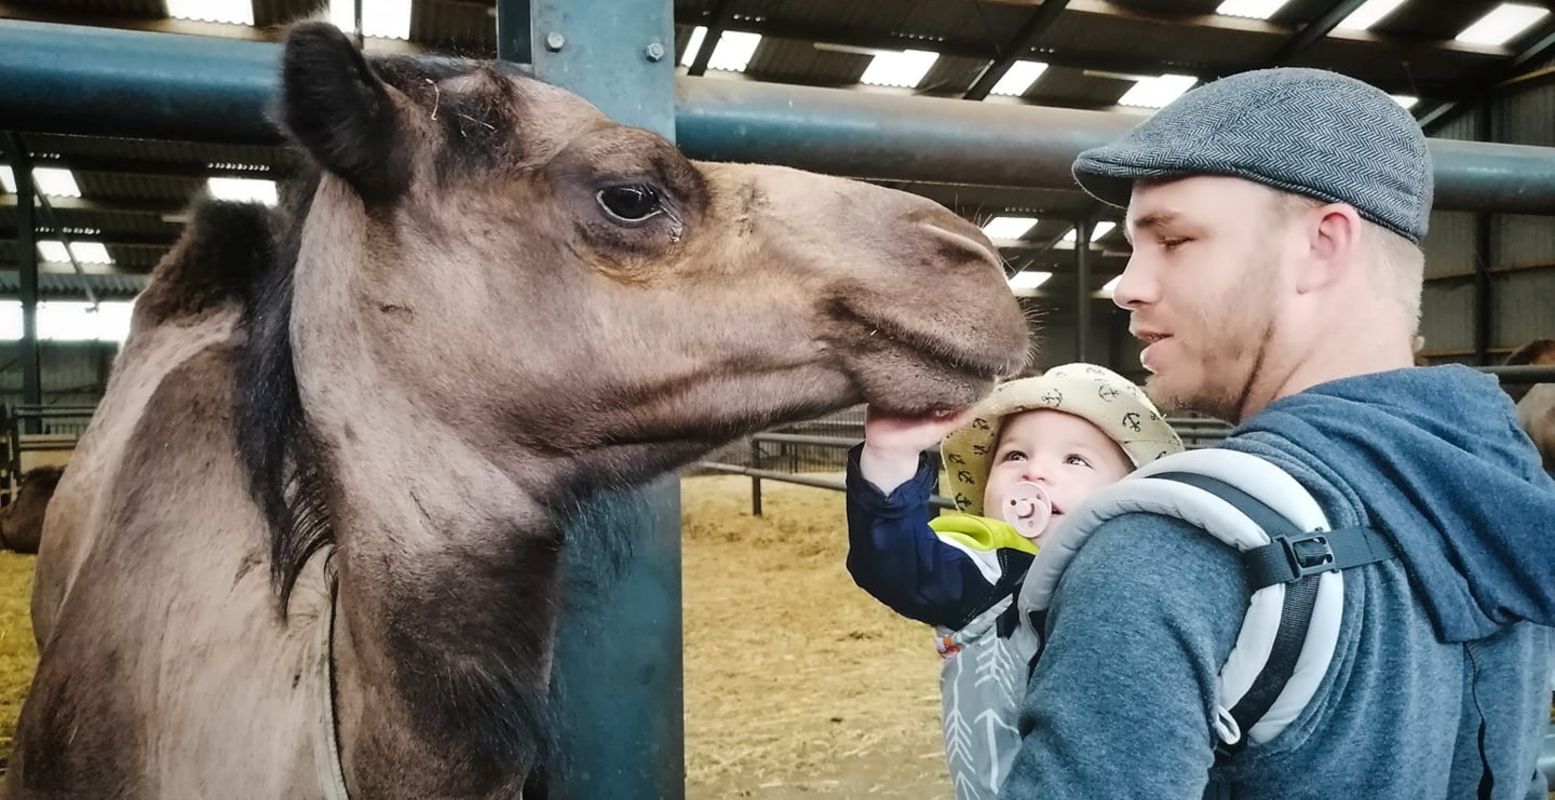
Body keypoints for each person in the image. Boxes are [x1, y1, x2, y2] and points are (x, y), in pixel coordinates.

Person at [996, 68, 1555, 799]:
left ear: (1322, 245)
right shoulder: (1505, 489)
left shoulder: (1171, 548)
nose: (1125, 285)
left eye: (1173, 240)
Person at [843, 364, 1181, 800]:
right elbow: (892, 562)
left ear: (1130, 495)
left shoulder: (1151, 583)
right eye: (1015, 455)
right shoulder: (986, 571)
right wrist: (890, 455)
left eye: (1074, 459)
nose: (1034, 473)